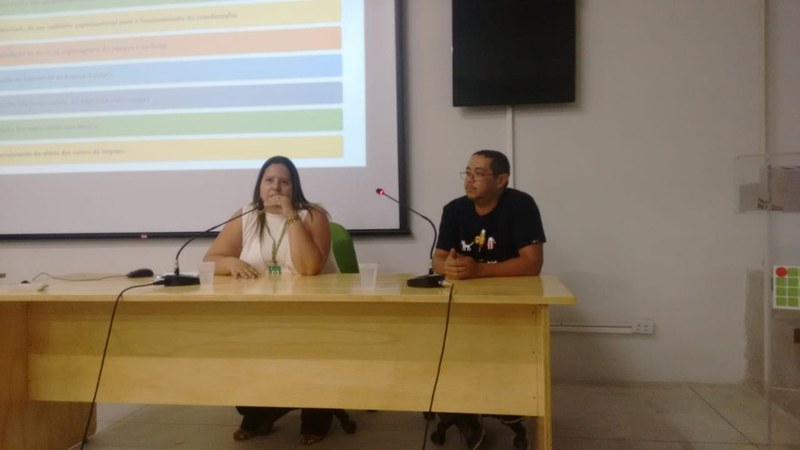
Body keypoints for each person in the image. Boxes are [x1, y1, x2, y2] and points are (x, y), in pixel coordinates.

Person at [203, 155, 340, 446]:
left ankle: (316, 416)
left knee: (309, 353)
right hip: (260, 313)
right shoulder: (246, 216)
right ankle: (261, 411)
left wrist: (290, 214)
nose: (275, 187)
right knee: (241, 351)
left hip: (312, 315)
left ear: (294, 187)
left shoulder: (313, 216)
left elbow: (308, 268)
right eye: (269, 180)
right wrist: (230, 262)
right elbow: (211, 260)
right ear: (260, 185)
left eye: (284, 182)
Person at [431, 149, 546, 450]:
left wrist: (479, 270)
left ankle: (503, 400)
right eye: (467, 172)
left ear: (501, 180)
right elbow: (438, 258)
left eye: (479, 174)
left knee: (494, 355)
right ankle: (464, 414)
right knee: (444, 348)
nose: (469, 180)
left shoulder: (520, 205)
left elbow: (532, 263)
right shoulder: (454, 210)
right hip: (462, 307)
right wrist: (448, 267)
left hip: (509, 307)